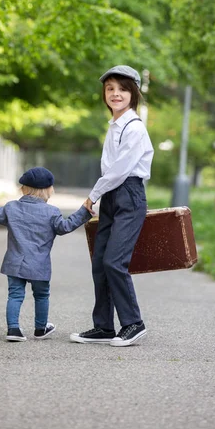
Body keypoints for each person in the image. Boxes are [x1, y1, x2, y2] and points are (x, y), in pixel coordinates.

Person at [70, 65, 154, 347]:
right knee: (100, 263)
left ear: (134, 93)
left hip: (128, 195)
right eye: (110, 89)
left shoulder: (134, 128)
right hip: (112, 197)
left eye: (122, 89)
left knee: (114, 261)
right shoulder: (115, 125)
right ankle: (104, 326)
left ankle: (133, 323)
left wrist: (92, 196)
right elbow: (111, 170)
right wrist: (102, 196)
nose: (115, 94)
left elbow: (119, 171)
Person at [0, 167, 92, 342]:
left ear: (24, 189)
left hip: (15, 262)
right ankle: (40, 328)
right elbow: (65, 226)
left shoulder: (11, 208)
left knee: (15, 294)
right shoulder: (51, 212)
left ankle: (13, 329)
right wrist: (84, 211)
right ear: (48, 190)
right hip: (39, 265)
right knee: (42, 295)